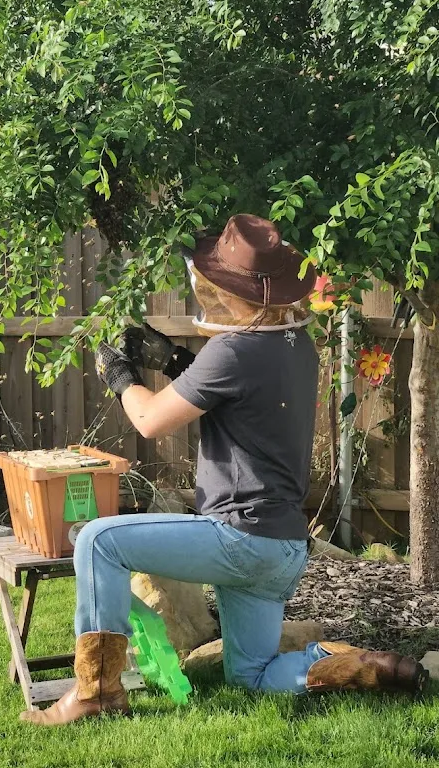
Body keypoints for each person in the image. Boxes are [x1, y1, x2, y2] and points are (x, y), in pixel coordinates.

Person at [22, 214, 427, 726]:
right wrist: (174, 362)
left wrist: (122, 377)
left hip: (238, 541)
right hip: (282, 549)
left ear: (230, 289)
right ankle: (356, 664)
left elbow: (149, 420)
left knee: (98, 541)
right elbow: (238, 398)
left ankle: (96, 694)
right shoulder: (296, 345)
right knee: (251, 676)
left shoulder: (233, 350)